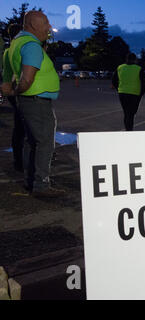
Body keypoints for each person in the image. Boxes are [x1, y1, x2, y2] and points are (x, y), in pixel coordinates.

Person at [8, 11, 65, 198]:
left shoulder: (18, 42)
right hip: (36, 100)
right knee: (45, 143)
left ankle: (30, 180)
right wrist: (15, 91)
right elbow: (27, 79)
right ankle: (41, 185)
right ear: (33, 25)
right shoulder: (31, 45)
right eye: (46, 23)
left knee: (31, 142)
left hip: (28, 101)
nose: (49, 27)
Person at [2, 24, 25, 173]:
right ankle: (25, 161)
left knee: (19, 127)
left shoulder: (7, 51)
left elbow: (5, 76)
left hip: (13, 91)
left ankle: (18, 161)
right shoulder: (20, 49)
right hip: (21, 90)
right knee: (27, 128)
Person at [112, 53, 145, 131]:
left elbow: (114, 80)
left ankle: (128, 129)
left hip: (122, 93)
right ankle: (129, 131)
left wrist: (118, 89)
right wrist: (141, 93)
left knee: (127, 113)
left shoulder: (120, 67)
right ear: (135, 60)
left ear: (126, 59)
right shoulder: (139, 69)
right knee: (131, 114)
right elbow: (144, 83)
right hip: (135, 94)